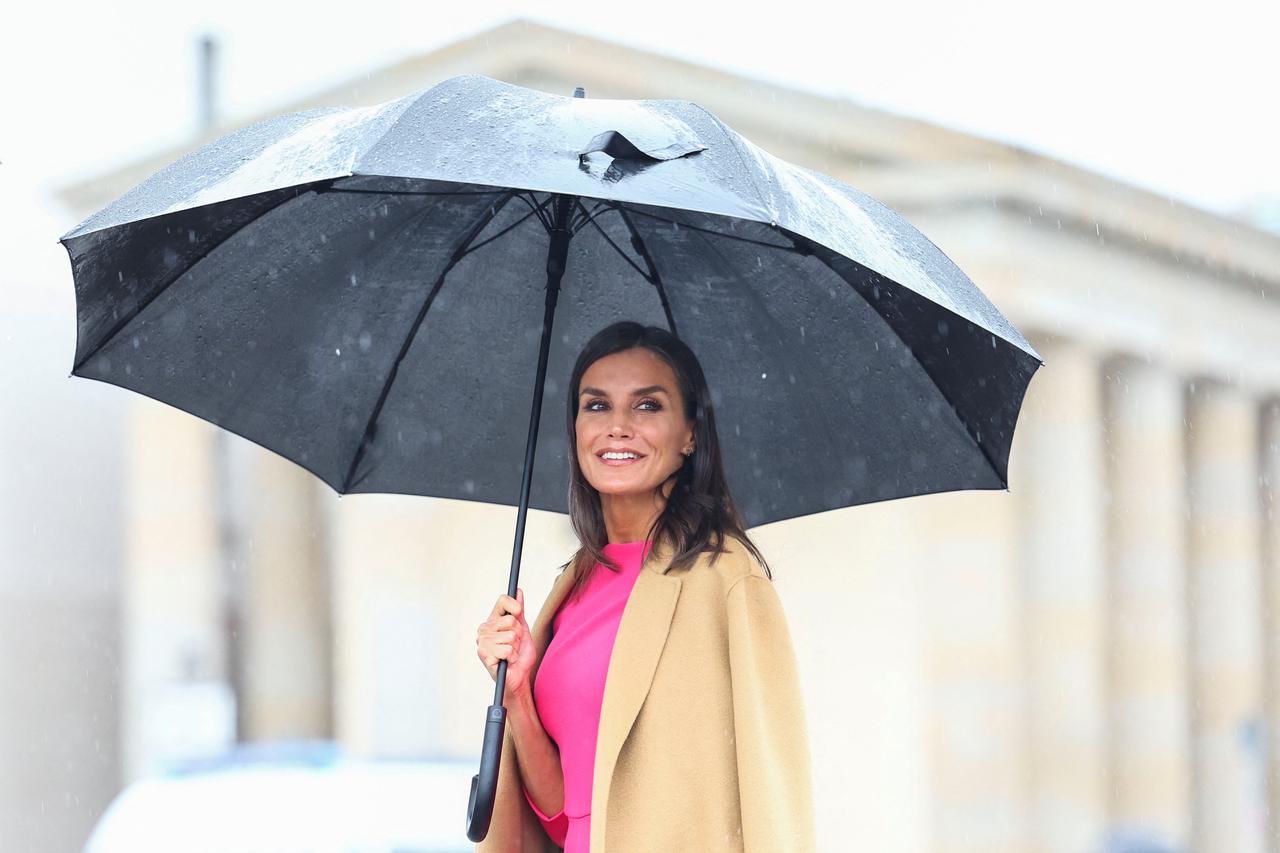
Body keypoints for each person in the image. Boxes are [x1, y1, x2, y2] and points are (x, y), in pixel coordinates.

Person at [475, 321, 815, 852]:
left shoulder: (728, 582)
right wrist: (517, 693)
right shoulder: (573, 587)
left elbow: (775, 801)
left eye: (648, 406)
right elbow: (569, 816)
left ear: (691, 434)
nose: (617, 426)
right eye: (596, 405)